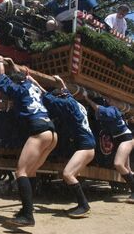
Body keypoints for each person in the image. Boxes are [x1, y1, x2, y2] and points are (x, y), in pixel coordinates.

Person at [0, 56, 57, 227]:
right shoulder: (32, 87)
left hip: (38, 132)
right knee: (30, 172)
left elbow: (1, 80)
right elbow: (19, 76)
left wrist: (0, 62)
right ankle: (25, 210)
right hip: (51, 133)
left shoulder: (19, 90)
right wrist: (13, 64)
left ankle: (28, 216)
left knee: (20, 171)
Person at [30, 75, 96, 218]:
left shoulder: (68, 104)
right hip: (88, 145)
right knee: (71, 175)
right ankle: (81, 204)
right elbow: (64, 90)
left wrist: (34, 81)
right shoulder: (73, 101)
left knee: (67, 174)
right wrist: (60, 81)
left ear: (61, 96)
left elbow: (46, 96)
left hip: (86, 146)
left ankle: (84, 206)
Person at [82, 93, 134, 204]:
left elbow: (96, 107)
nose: (109, 100)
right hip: (121, 139)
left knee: (118, 164)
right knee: (126, 168)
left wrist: (86, 98)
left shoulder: (112, 110)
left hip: (126, 138)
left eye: (111, 99)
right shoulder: (110, 112)